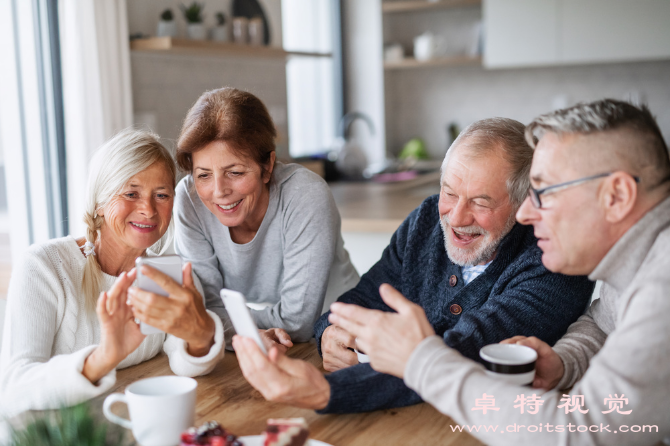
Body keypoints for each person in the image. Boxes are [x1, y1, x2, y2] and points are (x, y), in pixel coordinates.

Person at [328, 99, 670, 445]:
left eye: (545, 192)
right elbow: (603, 323)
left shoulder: (662, 288)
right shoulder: (639, 258)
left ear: (617, 196)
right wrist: (564, 362)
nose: (527, 213)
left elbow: (576, 435)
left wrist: (421, 362)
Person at [232, 118, 595, 413]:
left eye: (481, 202)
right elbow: (363, 297)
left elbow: (460, 352)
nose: (456, 216)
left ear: (523, 204)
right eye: (450, 193)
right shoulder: (425, 222)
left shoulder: (553, 260)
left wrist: (327, 392)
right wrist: (329, 330)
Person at [0, 129, 225, 419]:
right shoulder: (44, 266)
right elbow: (14, 386)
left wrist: (201, 336)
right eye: (131, 193)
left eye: (161, 195)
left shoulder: (169, 274)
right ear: (99, 202)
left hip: (124, 421)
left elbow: (183, 360)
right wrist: (103, 357)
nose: (148, 209)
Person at [174, 88, 359, 343]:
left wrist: (217, 326)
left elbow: (298, 323)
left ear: (267, 166)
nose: (219, 192)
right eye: (203, 174)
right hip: (269, 340)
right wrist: (246, 332)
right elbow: (204, 306)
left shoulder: (305, 195)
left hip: (343, 331)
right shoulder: (189, 199)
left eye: (235, 172)